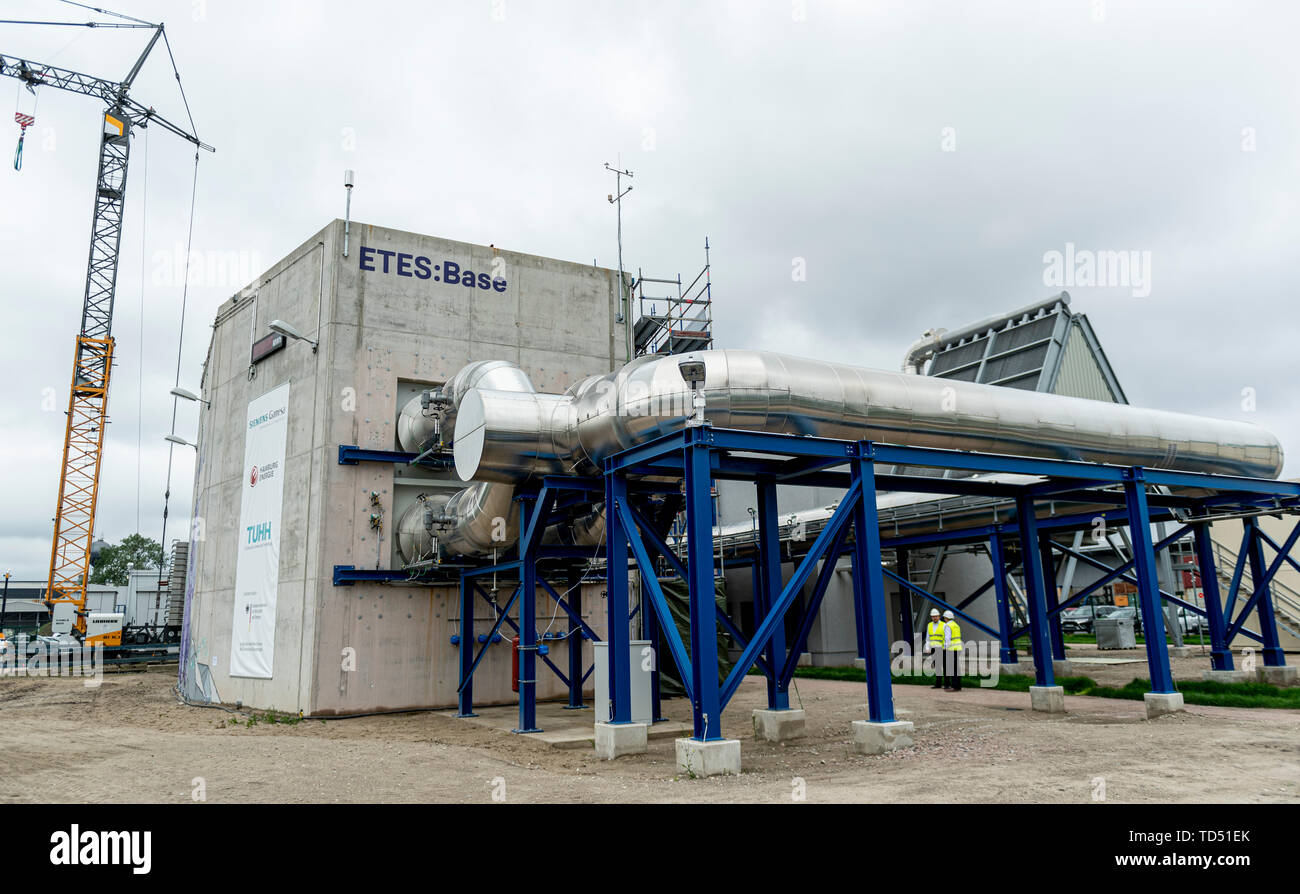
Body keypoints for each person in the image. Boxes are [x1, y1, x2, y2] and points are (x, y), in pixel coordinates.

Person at [942, 609, 963, 691]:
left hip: (950, 649)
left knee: (952, 668)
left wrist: (945, 648)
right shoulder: (956, 625)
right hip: (957, 648)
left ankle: (954, 686)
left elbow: (947, 639)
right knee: (957, 668)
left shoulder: (947, 626)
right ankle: (958, 685)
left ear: (946, 618)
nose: (944, 619)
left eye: (944, 618)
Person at [925, 608, 945, 688]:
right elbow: (928, 638)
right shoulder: (929, 625)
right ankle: (938, 684)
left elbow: (946, 638)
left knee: (945, 666)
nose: (934, 618)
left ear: (939, 616)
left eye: (936, 616)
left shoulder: (944, 625)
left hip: (942, 648)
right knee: (937, 666)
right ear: (931, 617)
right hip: (933, 649)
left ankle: (947, 683)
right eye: (933, 616)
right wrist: (927, 648)